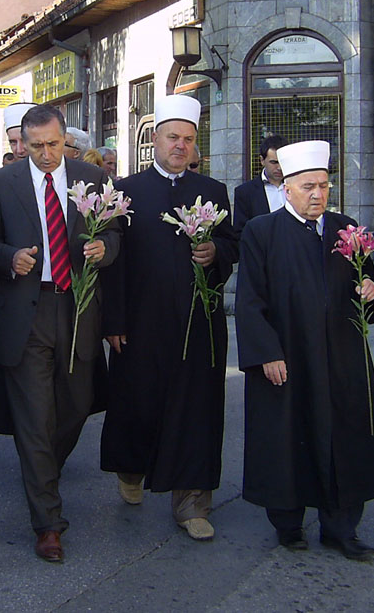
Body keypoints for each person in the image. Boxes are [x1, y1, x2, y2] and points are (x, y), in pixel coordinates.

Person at [236, 140, 374, 559]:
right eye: (308, 187)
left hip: (341, 354)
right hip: (288, 354)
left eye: (324, 186)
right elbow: (250, 300)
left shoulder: (345, 228)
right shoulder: (262, 231)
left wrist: (369, 287)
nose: (318, 194)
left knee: (345, 436)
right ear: (287, 188)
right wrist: (266, 352)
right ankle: (288, 524)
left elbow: (365, 279)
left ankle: (341, 527)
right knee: (287, 436)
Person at [0, 104, 119, 562]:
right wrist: (9, 258)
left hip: (78, 306)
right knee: (35, 416)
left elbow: (115, 233)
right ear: (22, 144)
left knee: (76, 405)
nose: (45, 153)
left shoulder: (91, 179)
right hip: (28, 310)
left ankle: (41, 473)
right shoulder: (2, 183)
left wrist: (104, 247)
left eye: (53, 145)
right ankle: (48, 523)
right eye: (36, 146)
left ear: (65, 140)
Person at [100, 94, 238, 541]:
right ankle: (131, 469)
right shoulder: (126, 190)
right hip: (140, 322)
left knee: (197, 411)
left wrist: (216, 251)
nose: (180, 145)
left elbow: (232, 244)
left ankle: (192, 502)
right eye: (173, 137)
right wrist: (113, 322)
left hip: (199, 324)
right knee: (138, 404)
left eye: (188, 139)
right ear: (155, 140)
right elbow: (113, 261)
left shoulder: (213, 191)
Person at [233, 134, 287, 237]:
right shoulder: (245, 192)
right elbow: (240, 233)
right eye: (274, 162)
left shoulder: (298, 187)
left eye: (282, 162)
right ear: (262, 160)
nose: (279, 167)